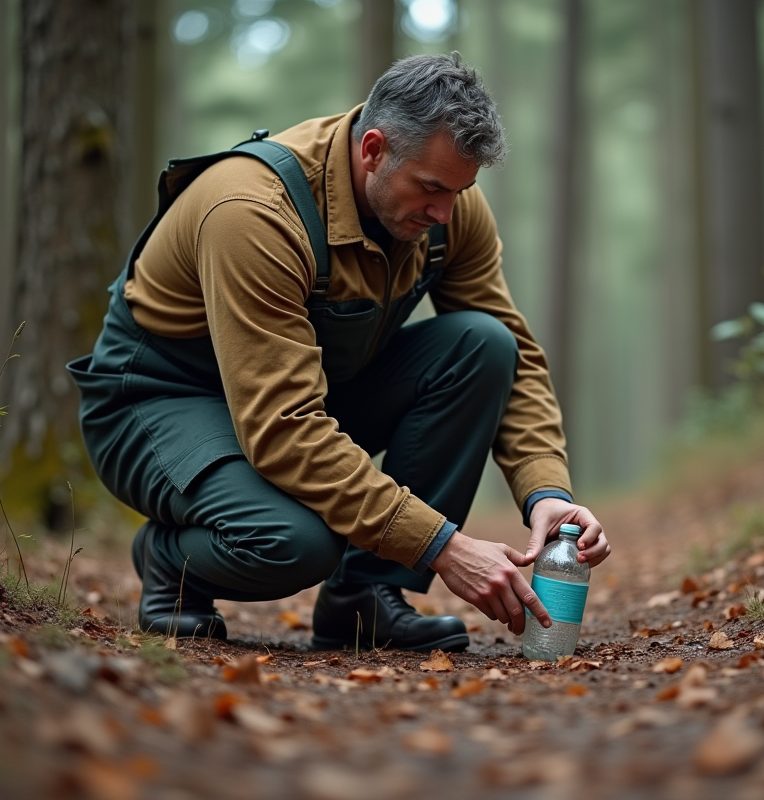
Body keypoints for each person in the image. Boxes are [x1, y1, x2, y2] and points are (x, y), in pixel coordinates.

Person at [68, 53, 610, 652]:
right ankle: (169, 558)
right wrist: (443, 546)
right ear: (373, 149)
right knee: (291, 542)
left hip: (301, 390)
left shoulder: (447, 206)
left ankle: (365, 599)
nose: (444, 214)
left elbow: (516, 357)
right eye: (430, 188)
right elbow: (283, 429)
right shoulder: (253, 213)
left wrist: (548, 494)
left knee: (483, 344)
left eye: (460, 191)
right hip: (157, 401)